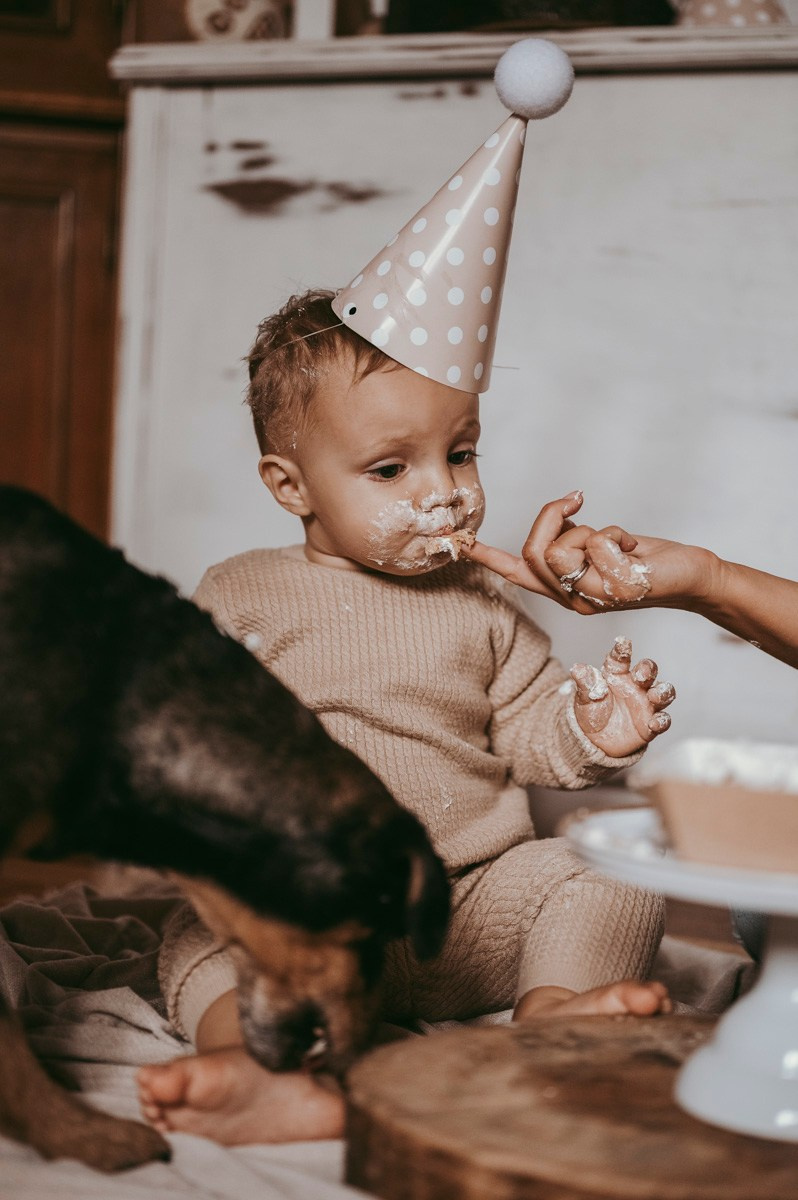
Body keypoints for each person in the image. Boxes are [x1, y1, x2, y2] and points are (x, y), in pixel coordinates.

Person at [137, 289, 675, 1146]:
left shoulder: (480, 603)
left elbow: (528, 727)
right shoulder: (242, 594)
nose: (447, 496)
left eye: (460, 455)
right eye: (393, 470)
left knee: (605, 870)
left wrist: (587, 731)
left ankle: (555, 1021)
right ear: (291, 485)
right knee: (199, 934)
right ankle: (262, 1070)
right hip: (314, 920)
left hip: (470, 911)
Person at [464, 490, 798, 670]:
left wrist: (589, 739)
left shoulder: (488, 606)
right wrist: (708, 579)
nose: (444, 488)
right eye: (406, 465)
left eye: (461, 456)